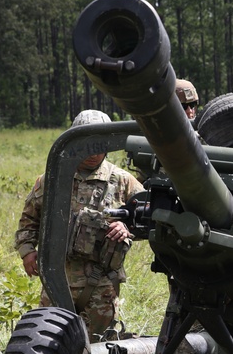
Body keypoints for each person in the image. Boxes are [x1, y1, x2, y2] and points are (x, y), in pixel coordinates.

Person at [15, 110, 144, 338]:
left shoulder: (123, 180)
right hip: (57, 279)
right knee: (50, 342)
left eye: (100, 144)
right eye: (88, 144)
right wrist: (27, 251)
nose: (94, 152)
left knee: (96, 348)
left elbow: (150, 215)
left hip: (102, 283)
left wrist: (127, 227)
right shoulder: (51, 180)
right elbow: (29, 220)